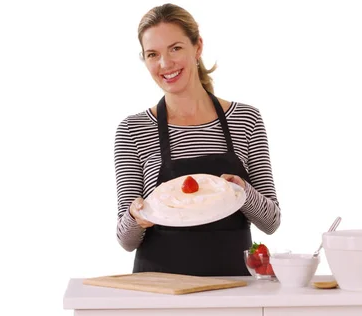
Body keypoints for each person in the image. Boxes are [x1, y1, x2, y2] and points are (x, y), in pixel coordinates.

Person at [113, 3, 281, 277]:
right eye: (153, 54)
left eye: (175, 48)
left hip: (234, 288)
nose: (165, 64)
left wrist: (242, 192)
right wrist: (136, 216)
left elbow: (271, 222)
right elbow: (126, 240)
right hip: (161, 292)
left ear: (198, 47)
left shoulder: (245, 119)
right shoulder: (134, 129)